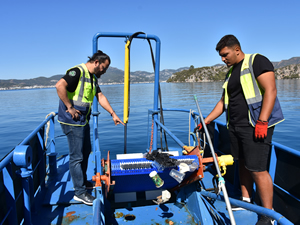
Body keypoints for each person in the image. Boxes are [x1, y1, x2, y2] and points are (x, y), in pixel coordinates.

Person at [195, 35, 284, 225]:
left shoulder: (256, 61)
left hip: (255, 125)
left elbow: (271, 90)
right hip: (235, 126)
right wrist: (206, 120)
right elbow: (223, 102)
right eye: (221, 56)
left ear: (237, 49)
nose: (223, 59)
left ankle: (269, 214)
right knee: (242, 162)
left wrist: (262, 121)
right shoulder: (230, 73)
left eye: (225, 54)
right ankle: (246, 200)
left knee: (258, 168)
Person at [55, 50, 124, 206]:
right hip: (71, 122)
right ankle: (79, 193)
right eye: (104, 68)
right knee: (76, 157)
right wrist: (69, 107)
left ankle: (83, 182)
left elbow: (100, 97)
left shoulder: (92, 78)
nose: (104, 71)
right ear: (96, 63)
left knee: (86, 152)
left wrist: (113, 113)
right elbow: (59, 86)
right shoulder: (78, 72)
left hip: (82, 122)